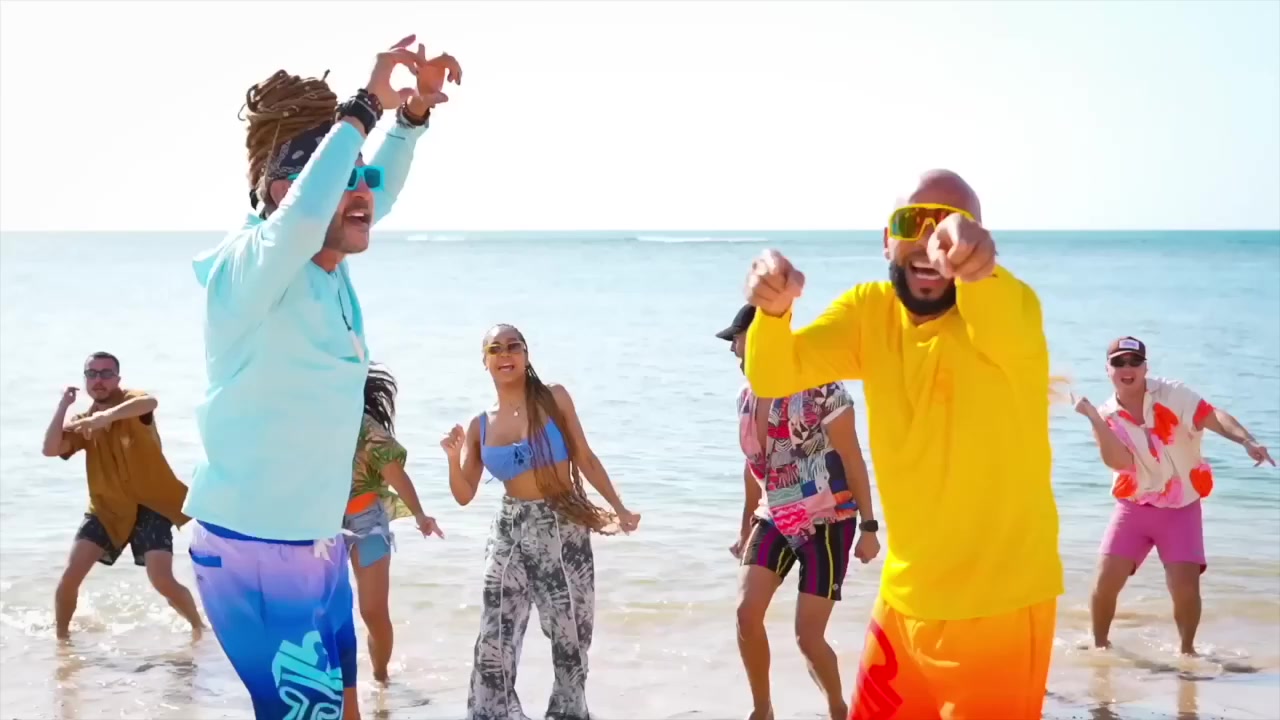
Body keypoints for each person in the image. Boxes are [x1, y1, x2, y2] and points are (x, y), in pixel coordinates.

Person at [182, 35, 461, 720]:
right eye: (345, 177)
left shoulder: (322, 267)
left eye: (362, 178)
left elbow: (366, 193)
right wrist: (365, 104)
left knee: (346, 703)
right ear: (285, 192)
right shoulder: (248, 269)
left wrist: (411, 119)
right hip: (256, 550)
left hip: (317, 542)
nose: (365, 193)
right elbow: (307, 214)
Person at [742, 169, 1063, 720]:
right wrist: (772, 313)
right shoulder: (871, 312)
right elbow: (775, 374)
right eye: (913, 221)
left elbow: (991, 296)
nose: (932, 237)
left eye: (952, 223)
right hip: (903, 600)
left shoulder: (1010, 309)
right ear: (887, 240)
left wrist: (977, 262)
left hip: (998, 609)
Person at [439, 324, 641, 720]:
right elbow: (464, 494)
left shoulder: (554, 398)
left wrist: (618, 507)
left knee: (570, 636)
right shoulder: (480, 425)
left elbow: (585, 457)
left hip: (561, 525)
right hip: (509, 529)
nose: (505, 354)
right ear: (485, 362)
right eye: (495, 349)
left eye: (513, 346)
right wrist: (451, 457)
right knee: (495, 632)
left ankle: (567, 714)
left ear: (526, 354)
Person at [718, 304, 881, 720]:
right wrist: (744, 530)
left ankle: (838, 708)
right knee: (746, 613)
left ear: (764, 341)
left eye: (738, 340)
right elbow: (754, 468)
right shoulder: (746, 398)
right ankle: (763, 710)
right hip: (774, 515)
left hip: (828, 519)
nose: (734, 349)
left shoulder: (822, 388)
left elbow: (852, 457)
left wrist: (869, 527)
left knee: (808, 637)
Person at [1072, 336, 1275, 656]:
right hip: (1133, 508)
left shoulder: (1172, 394)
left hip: (1181, 508)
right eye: (1119, 363)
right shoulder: (1106, 415)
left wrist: (1246, 440)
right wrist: (1095, 420)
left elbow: (1212, 415)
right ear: (1107, 369)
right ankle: (1100, 652)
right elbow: (1119, 463)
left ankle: (1188, 654)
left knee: (1185, 588)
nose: (1127, 368)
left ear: (1145, 367)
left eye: (1134, 362)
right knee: (1105, 580)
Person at [42, 352, 205, 641]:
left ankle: (198, 631)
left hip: (152, 505)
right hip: (107, 509)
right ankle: (62, 643)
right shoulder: (83, 422)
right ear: (85, 379)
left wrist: (106, 416)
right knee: (70, 577)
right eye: (92, 374)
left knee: (162, 580)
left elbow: (150, 403)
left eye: (106, 374)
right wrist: (63, 406)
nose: (99, 380)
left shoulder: (132, 401)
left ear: (117, 378)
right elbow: (50, 449)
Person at [344, 364, 444, 684]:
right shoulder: (308, 422)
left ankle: (380, 678)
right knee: (324, 612)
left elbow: (395, 474)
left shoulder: (364, 426)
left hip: (367, 523)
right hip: (321, 526)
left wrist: (420, 515)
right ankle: (338, 685)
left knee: (372, 611)